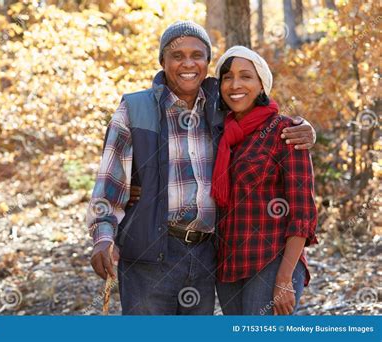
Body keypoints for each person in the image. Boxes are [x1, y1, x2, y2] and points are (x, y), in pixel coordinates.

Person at [87, 21, 316, 315]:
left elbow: (261, 116)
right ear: (162, 61)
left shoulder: (219, 110)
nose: (188, 63)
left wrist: (305, 128)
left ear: (207, 63)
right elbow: (109, 186)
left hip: (205, 257)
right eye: (177, 55)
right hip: (150, 257)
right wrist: (102, 237)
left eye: (197, 55)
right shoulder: (135, 110)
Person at [211, 46, 318, 315]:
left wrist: (284, 278)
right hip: (229, 263)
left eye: (246, 76)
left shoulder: (286, 131)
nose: (235, 84)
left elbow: (303, 212)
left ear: (261, 85)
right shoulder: (220, 135)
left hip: (271, 259)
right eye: (227, 77)